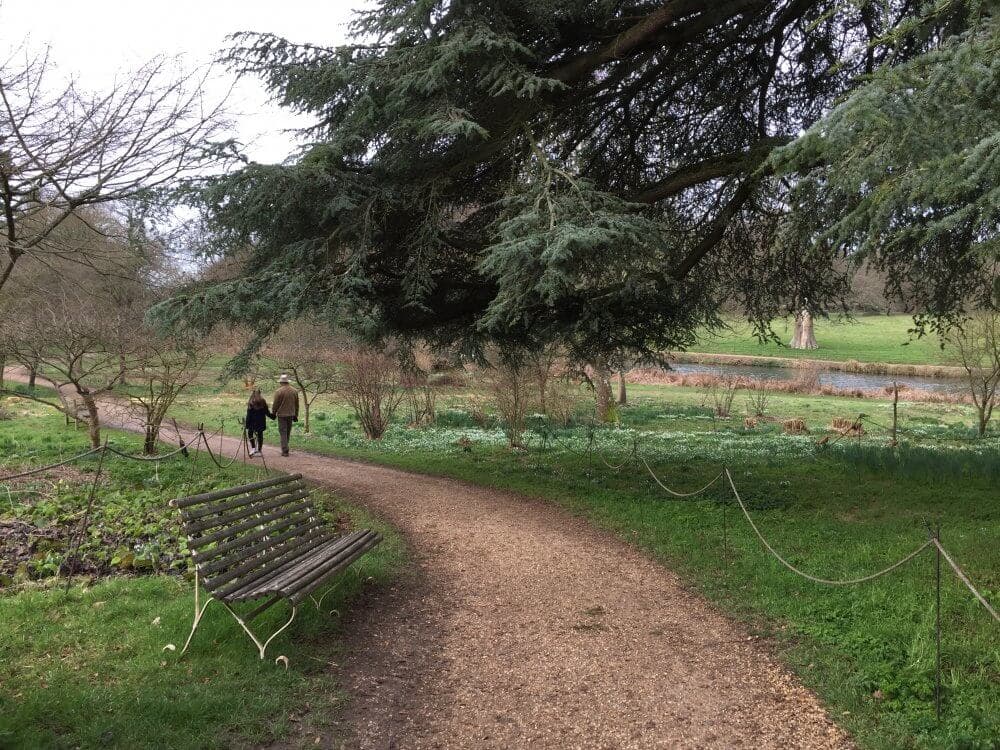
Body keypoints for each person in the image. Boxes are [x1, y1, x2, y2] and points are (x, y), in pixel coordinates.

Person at [271, 374, 299, 457]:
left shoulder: (279, 391)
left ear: (281, 382)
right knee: (287, 432)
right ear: (288, 382)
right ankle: (286, 447)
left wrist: (273, 413)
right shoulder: (294, 391)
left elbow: (276, 404)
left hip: (282, 415)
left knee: (283, 432)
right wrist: (296, 415)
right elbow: (296, 404)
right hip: (291, 414)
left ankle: (285, 450)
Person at [245, 389, 273, 457]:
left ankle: (253, 448)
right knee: (260, 435)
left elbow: (248, 415)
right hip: (261, 422)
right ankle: (259, 450)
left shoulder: (251, 402)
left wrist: (247, 424)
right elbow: (267, 412)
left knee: (250, 434)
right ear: (260, 393)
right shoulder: (263, 401)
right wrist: (272, 416)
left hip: (252, 422)